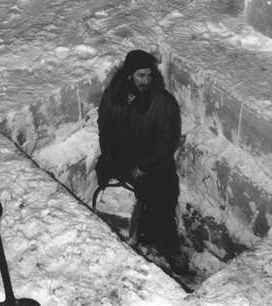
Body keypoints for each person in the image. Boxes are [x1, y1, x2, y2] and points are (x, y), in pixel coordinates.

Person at [95, 50, 188, 275]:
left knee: (160, 212)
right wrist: (108, 156)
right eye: (140, 76)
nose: (146, 81)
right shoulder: (112, 96)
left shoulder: (163, 102)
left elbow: (167, 141)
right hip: (123, 161)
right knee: (122, 207)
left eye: (149, 75)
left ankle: (171, 249)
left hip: (154, 168)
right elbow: (105, 128)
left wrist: (142, 167)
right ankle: (130, 240)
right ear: (128, 76)